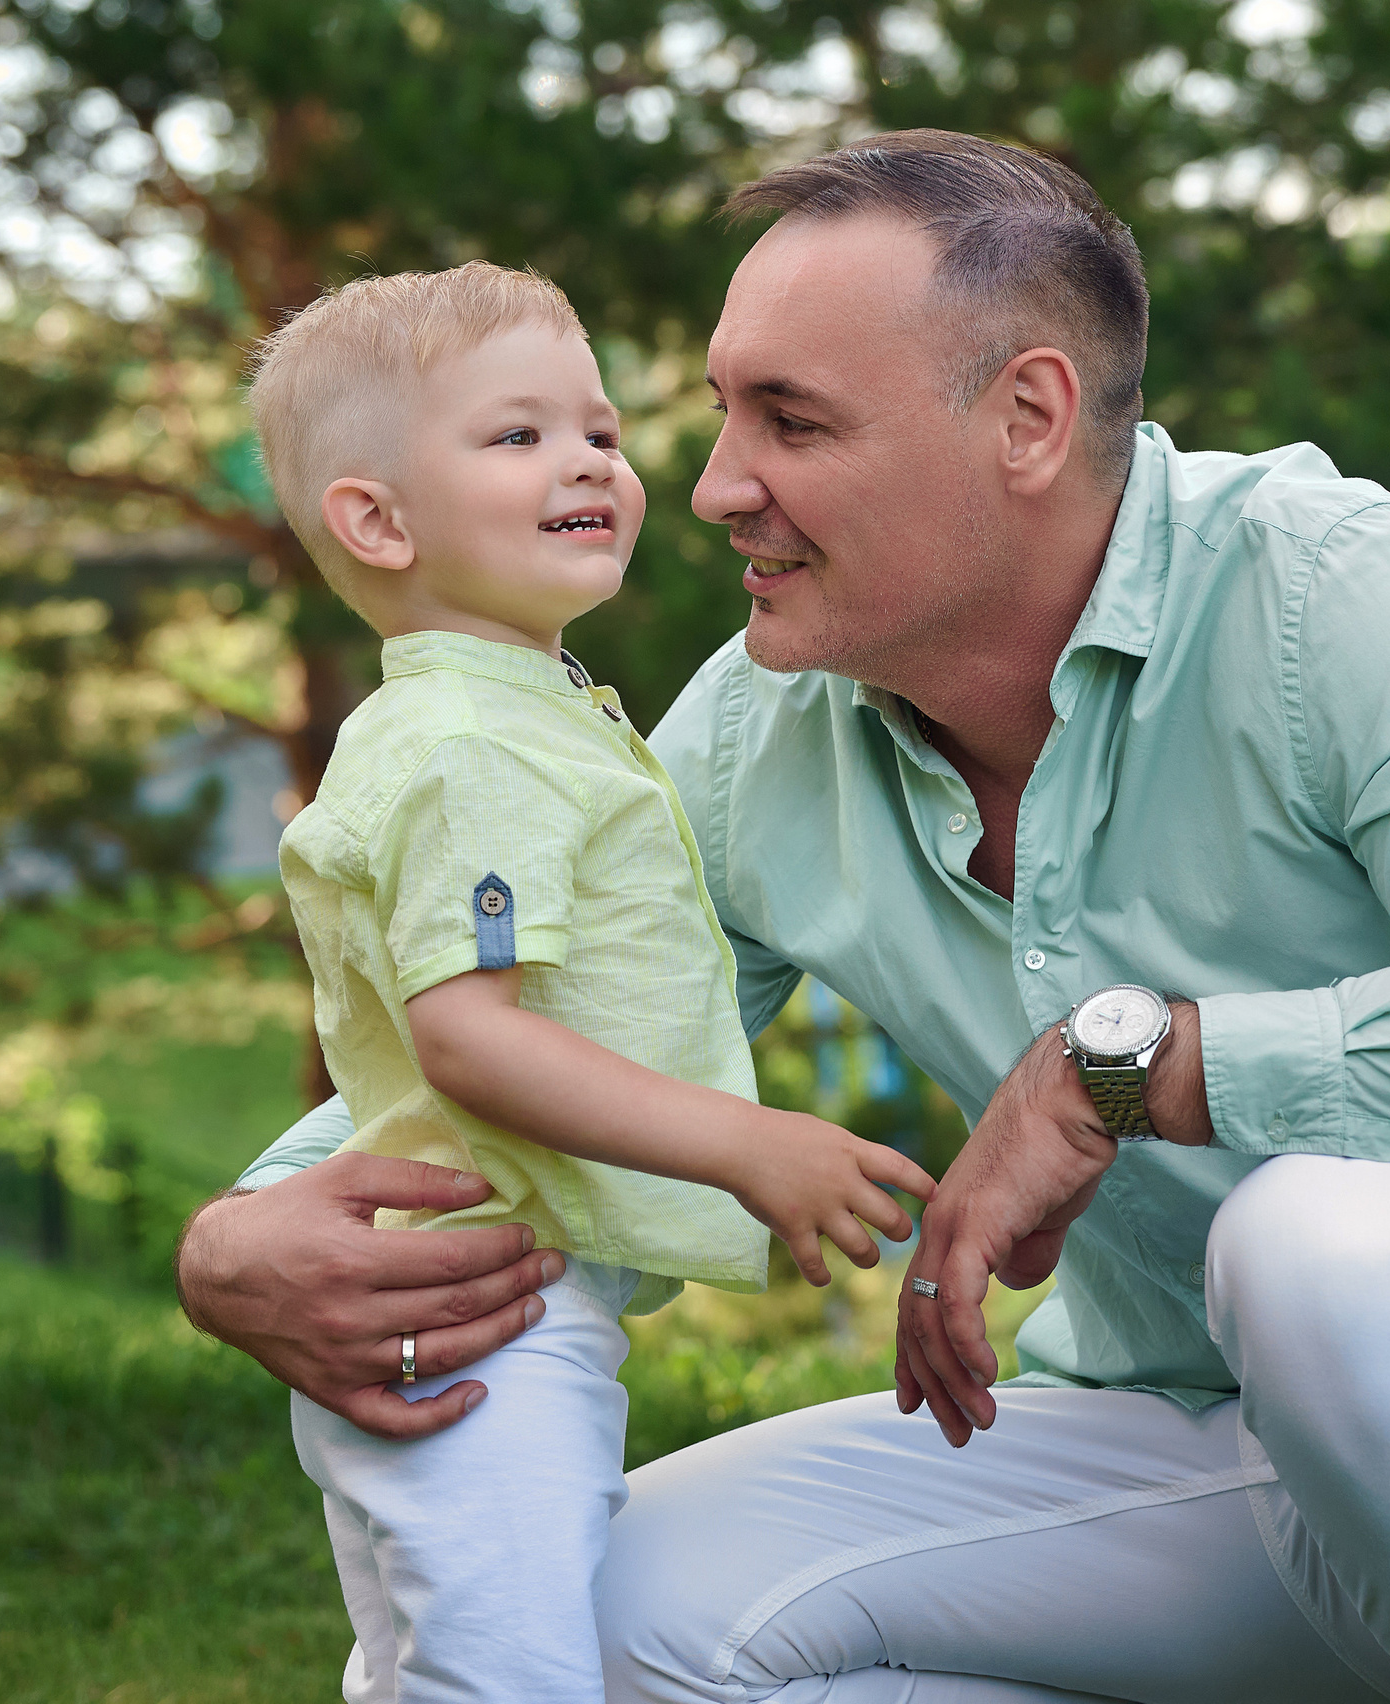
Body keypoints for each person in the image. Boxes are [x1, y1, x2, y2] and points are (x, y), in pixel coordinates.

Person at [184, 134, 1390, 1702]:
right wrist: (240, 1237)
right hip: (1180, 1447)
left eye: (792, 422)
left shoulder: (1332, 589)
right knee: (597, 1632)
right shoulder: (759, 726)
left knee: (1327, 1239)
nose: (710, 488)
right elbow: (522, 1024)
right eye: (714, 413)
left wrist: (1122, 1068)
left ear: (1029, 419)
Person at [240, 260, 935, 1703]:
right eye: (516, 437)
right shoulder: (468, 747)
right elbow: (472, 1045)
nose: (588, 464)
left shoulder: (516, 712)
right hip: (494, 1304)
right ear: (374, 518)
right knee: (515, 1674)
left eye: (601, 433)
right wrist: (752, 1143)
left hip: (483, 1289)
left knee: (438, 1664)